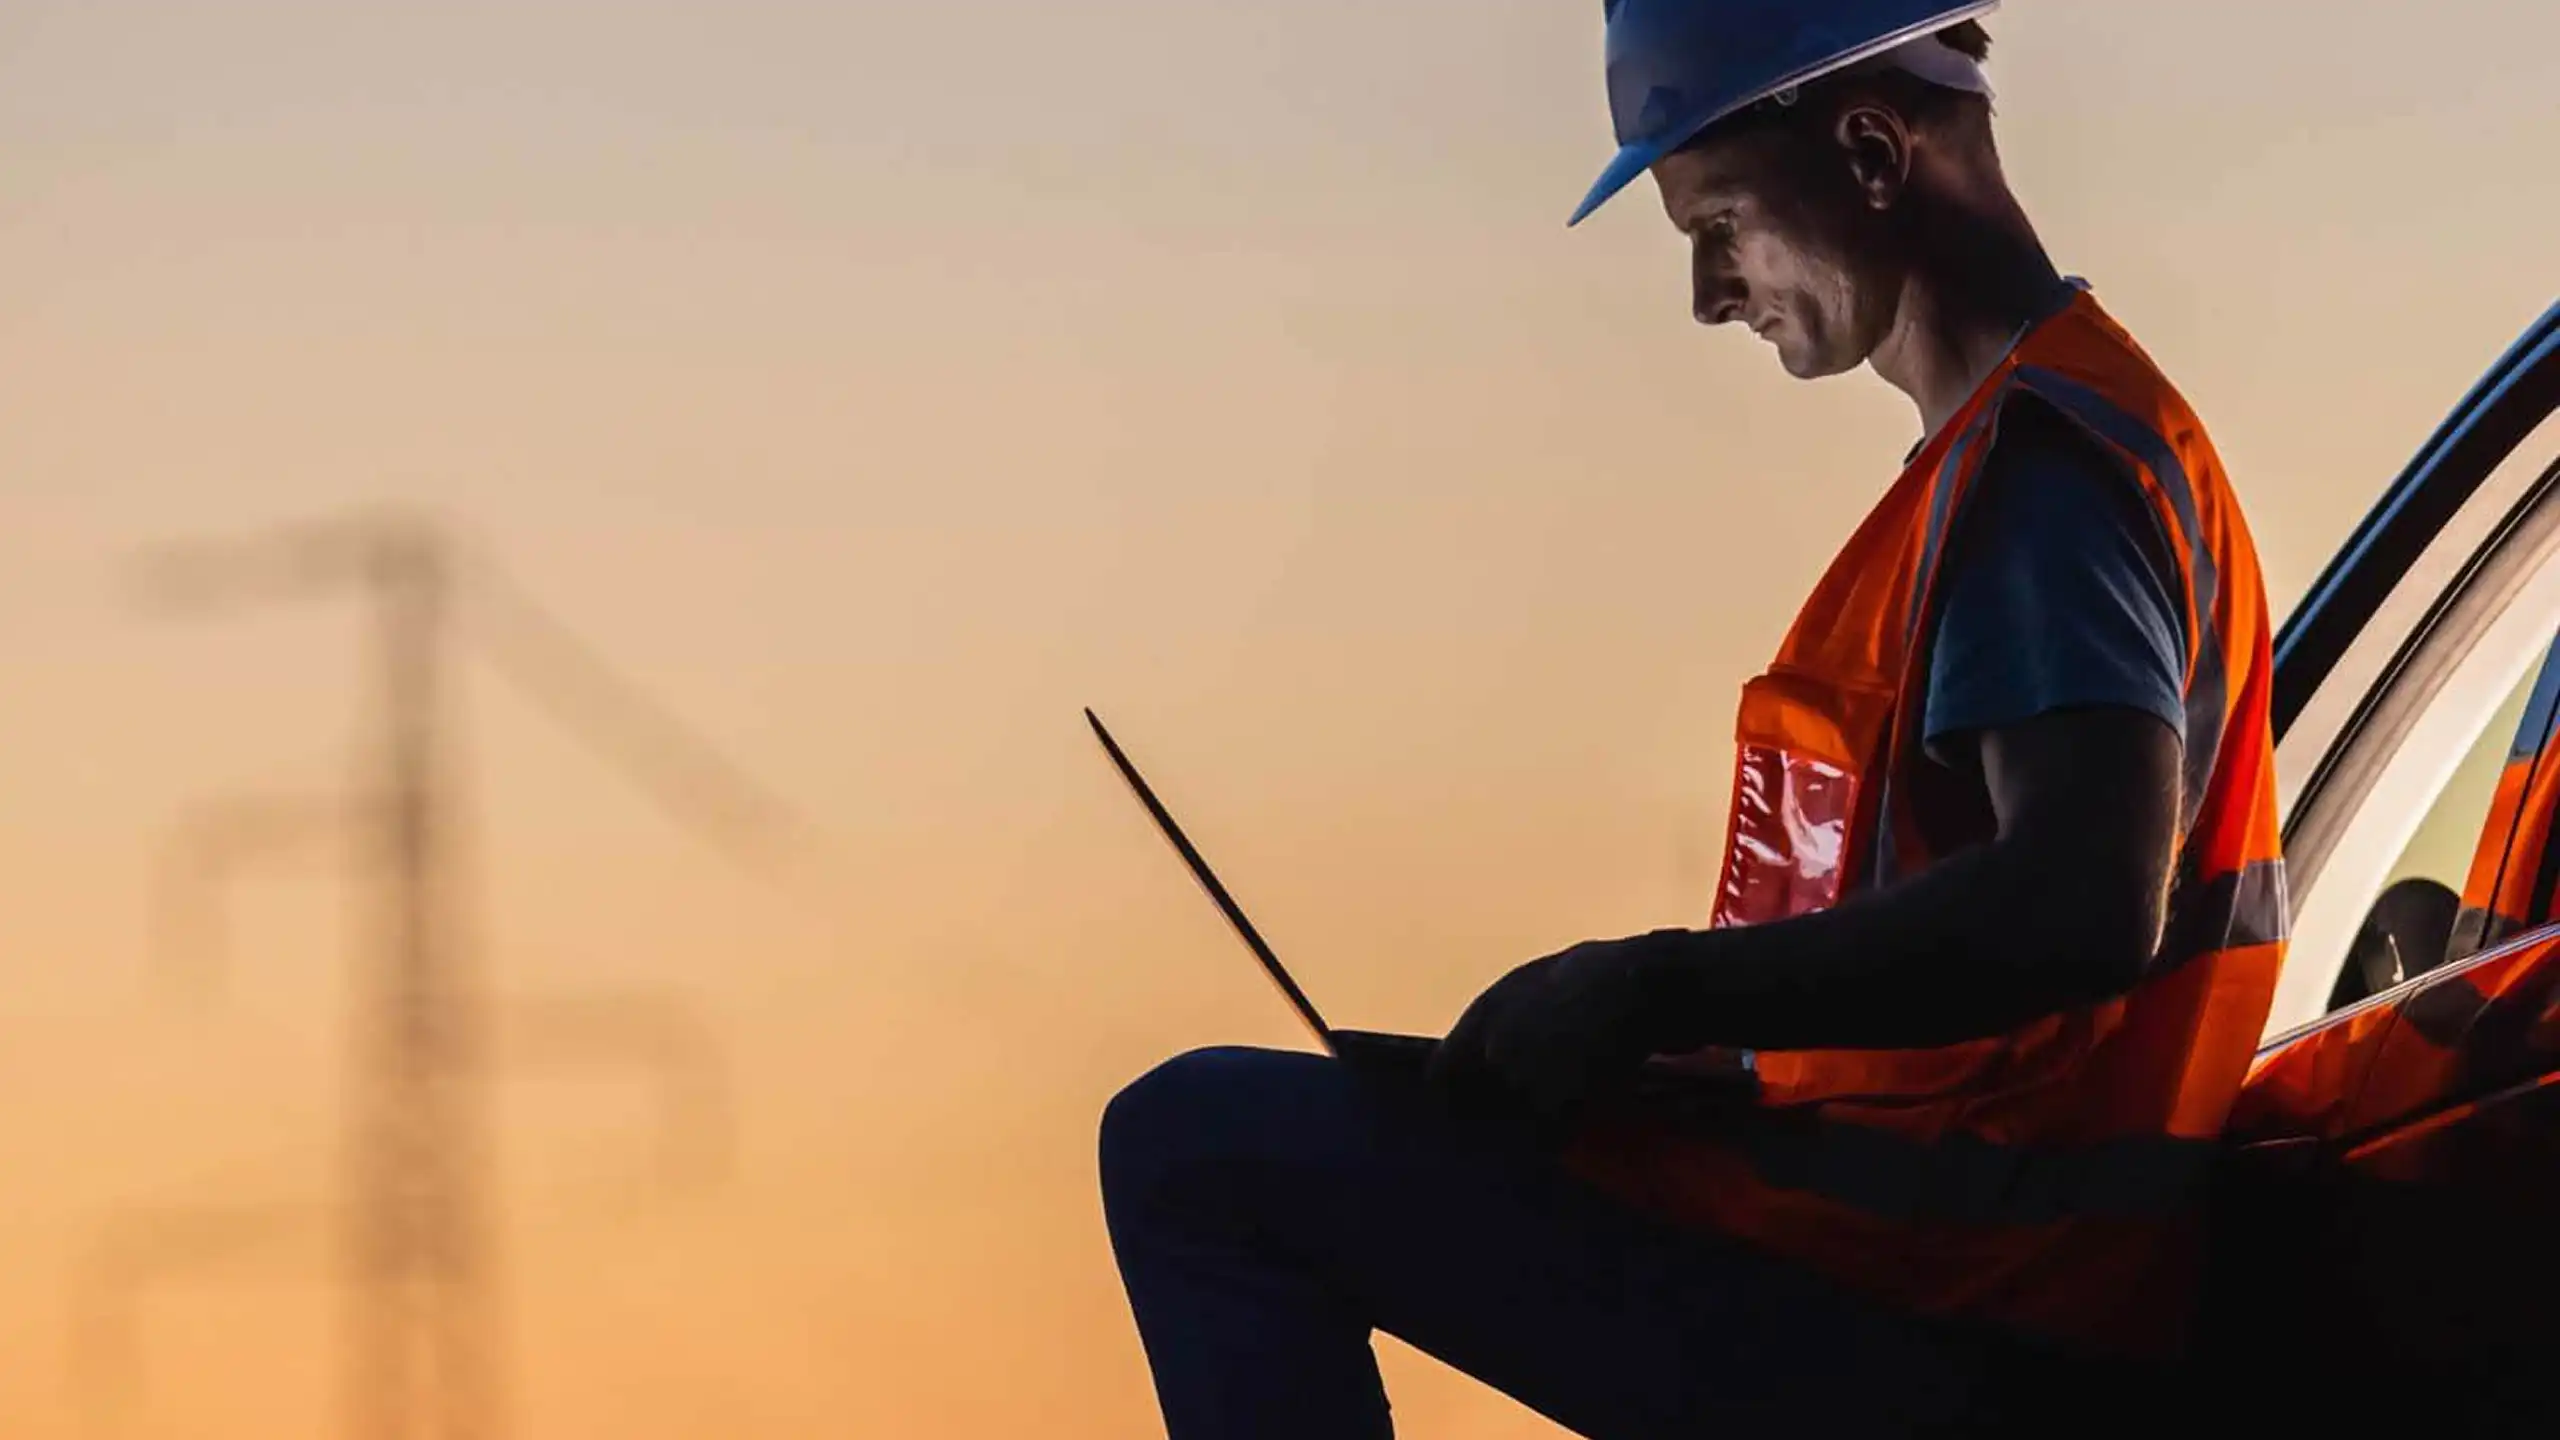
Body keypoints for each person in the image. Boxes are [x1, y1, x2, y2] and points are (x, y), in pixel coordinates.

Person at [1098, 3, 2287, 1434]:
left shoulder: (2042, 479)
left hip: (1954, 1323)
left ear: (1865, 151)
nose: (1711, 295)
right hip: (1942, 1285)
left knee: (1195, 1146)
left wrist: (1650, 989)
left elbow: (2083, 902)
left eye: (1715, 221)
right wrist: (1652, 1072)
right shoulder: (2036, 454)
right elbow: (1953, 1007)